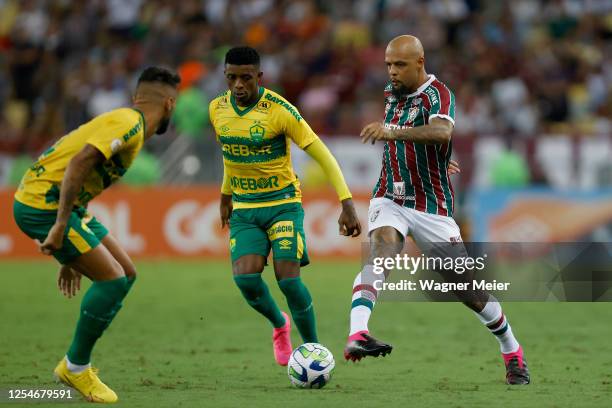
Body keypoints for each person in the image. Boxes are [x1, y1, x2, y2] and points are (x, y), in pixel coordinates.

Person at [343, 35, 530, 385]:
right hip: (391, 197)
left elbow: (442, 132)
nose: (392, 72)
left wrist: (395, 132)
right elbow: (424, 142)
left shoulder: (439, 93)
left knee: (468, 290)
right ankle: (358, 334)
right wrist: (437, 160)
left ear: (420, 61)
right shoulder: (390, 93)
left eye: (399, 65)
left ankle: (512, 351)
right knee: (382, 254)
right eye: (388, 64)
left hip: (432, 208)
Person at [13, 67, 181, 402]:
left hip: (63, 204)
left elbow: (79, 168)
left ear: (138, 97)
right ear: (170, 105)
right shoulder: (128, 124)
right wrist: (61, 226)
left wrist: (71, 255)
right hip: (43, 205)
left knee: (127, 273)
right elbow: (78, 163)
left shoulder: (125, 123)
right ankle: (76, 368)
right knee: (113, 281)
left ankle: (77, 362)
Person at [209, 46, 361, 366]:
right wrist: (225, 195)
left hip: (283, 205)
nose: (238, 84)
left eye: (246, 78)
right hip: (245, 209)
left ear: (259, 77)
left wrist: (346, 203)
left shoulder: (280, 110)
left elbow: (324, 155)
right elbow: (232, 157)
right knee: (246, 280)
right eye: (232, 77)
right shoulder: (217, 109)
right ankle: (280, 325)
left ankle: (314, 352)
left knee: (289, 281)